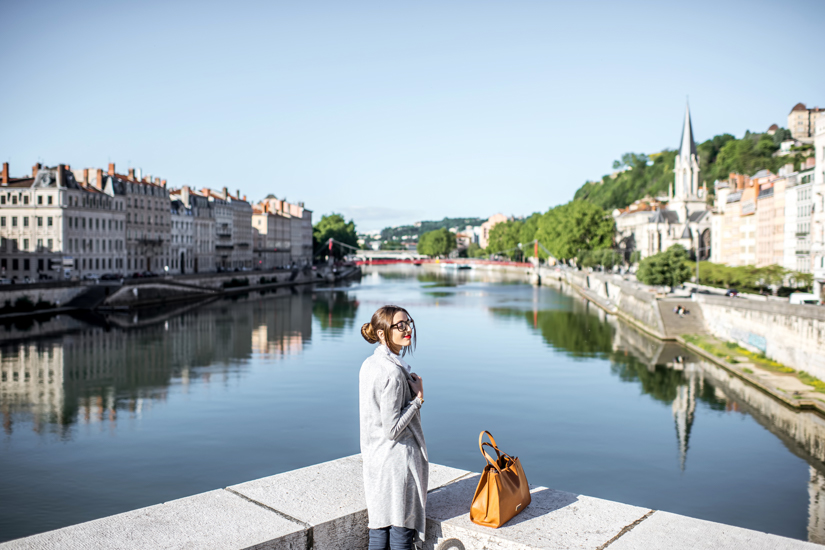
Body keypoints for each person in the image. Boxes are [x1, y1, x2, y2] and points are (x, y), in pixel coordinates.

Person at [359, 305, 427, 550]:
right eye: (400, 325)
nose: (407, 329)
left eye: (408, 323)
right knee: (400, 533)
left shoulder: (369, 364)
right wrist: (417, 400)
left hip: (375, 459)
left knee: (379, 531)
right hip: (397, 464)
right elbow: (393, 429)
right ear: (381, 333)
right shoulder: (394, 373)